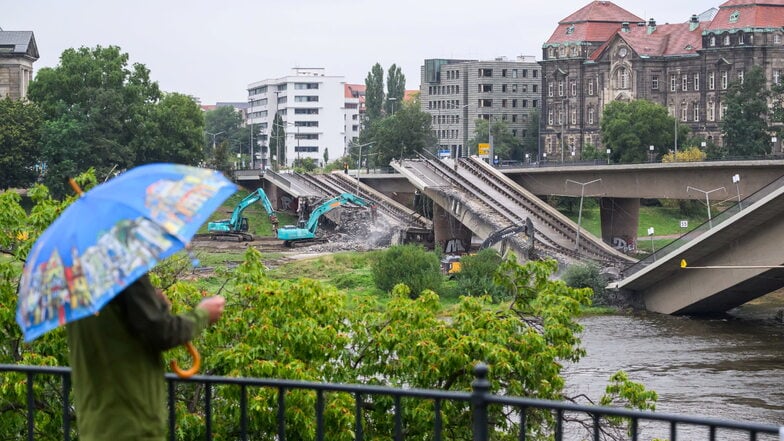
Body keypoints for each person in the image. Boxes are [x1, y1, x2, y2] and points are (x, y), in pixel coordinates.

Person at [66, 273, 225, 441]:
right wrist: (202, 315)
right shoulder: (124, 272)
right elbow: (163, 333)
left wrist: (152, 306)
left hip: (93, 425)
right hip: (132, 423)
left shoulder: (75, 280)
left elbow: (115, 332)